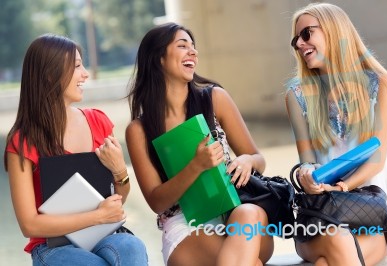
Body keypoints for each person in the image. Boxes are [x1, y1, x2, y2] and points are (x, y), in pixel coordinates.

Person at [125, 22, 274, 266]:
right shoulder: (139, 130)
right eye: (182, 46)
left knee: (250, 214)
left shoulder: (215, 98)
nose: (193, 52)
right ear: (158, 59)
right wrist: (196, 165)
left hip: (233, 211)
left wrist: (246, 160)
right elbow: (156, 202)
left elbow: (258, 158)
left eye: (193, 47)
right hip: (185, 225)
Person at [4, 34, 148, 266]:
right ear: (51, 74)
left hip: (100, 235)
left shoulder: (99, 122)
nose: (85, 74)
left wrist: (120, 170)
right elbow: (29, 224)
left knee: (132, 246)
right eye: (77, 66)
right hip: (51, 245)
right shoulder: (22, 142)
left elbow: (116, 201)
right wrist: (98, 216)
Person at [285, 3, 387, 265]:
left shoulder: (378, 83)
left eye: (307, 34)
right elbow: (307, 160)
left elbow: (377, 158)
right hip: (322, 218)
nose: (300, 45)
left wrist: (341, 187)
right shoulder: (297, 95)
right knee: (337, 239)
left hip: (368, 216)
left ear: (334, 31)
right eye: (296, 40)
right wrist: (307, 176)